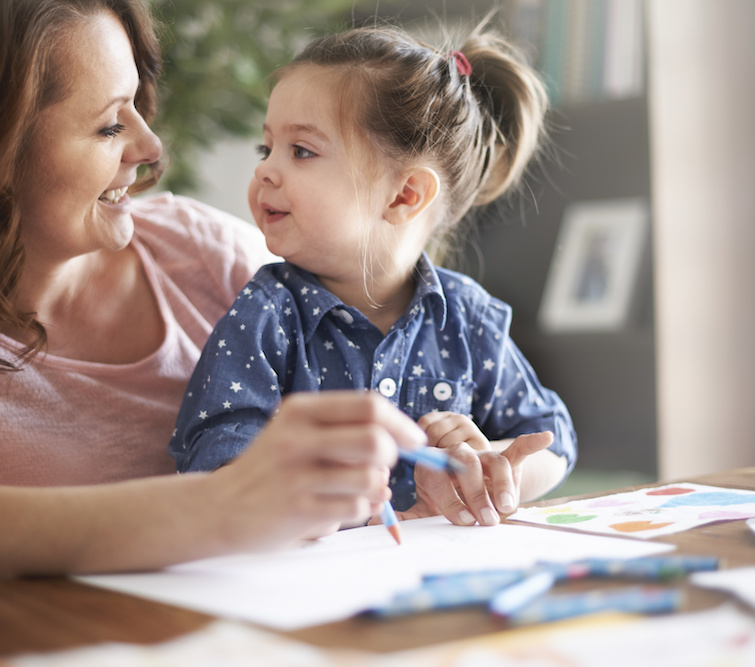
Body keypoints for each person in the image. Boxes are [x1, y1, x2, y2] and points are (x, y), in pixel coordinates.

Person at [0, 0, 431, 604]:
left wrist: (450, 447)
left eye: (136, 106)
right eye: (110, 126)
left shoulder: (204, 256)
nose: (150, 147)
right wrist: (222, 505)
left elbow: (393, 372)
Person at [170, 23, 577, 527]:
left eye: (301, 151)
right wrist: (309, 492)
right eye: (266, 148)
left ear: (405, 195)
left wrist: (490, 467)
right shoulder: (266, 313)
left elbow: (552, 439)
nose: (265, 171)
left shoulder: (469, 318)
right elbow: (215, 465)